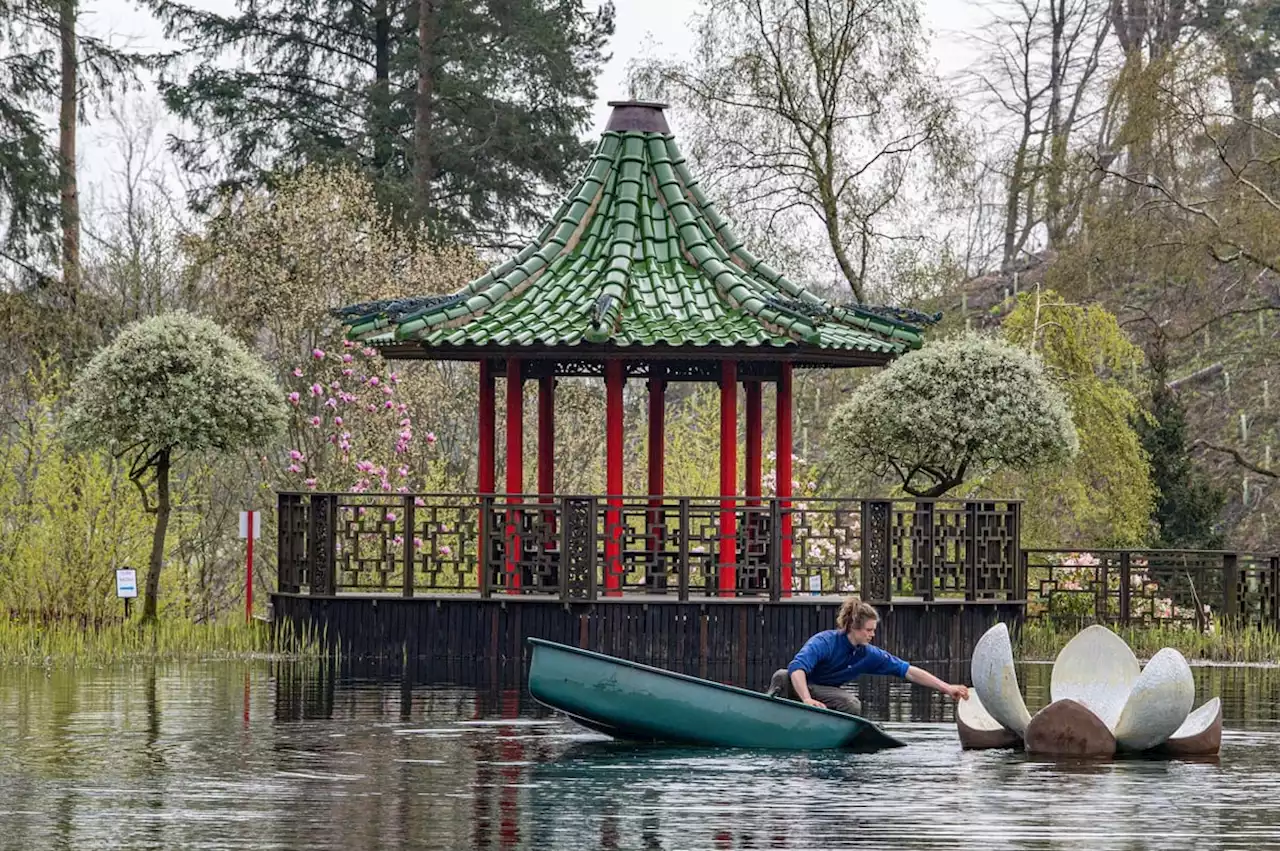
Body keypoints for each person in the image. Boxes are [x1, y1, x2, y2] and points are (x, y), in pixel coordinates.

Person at [766, 596, 969, 715]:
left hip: (823, 694)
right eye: (869, 630)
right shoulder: (825, 641)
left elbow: (908, 671)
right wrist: (806, 699)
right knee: (782, 676)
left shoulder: (869, 655)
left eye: (874, 630)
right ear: (853, 628)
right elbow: (798, 668)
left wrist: (947, 688)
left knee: (853, 704)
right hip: (800, 688)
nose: (872, 635)